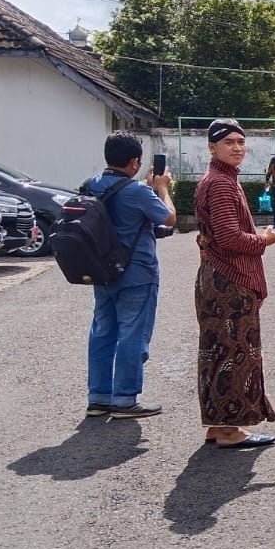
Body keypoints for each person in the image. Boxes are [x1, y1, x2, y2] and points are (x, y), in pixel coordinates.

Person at [194, 119, 275, 449]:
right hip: (229, 280)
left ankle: (218, 425)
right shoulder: (220, 183)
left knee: (218, 351)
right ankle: (230, 429)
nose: (237, 147)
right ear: (212, 147)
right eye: (228, 142)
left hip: (217, 277)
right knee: (236, 351)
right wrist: (264, 240)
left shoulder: (218, 179)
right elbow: (230, 238)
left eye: (241, 142)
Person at [83, 132, 175, 419]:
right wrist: (161, 188)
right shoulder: (138, 192)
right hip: (137, 273)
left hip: (101, 271)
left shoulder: (91, 186)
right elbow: (169, 218)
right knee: (132, 335)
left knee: (102, 332)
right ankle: (125, 399)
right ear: (135, 161)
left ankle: (98, 397)